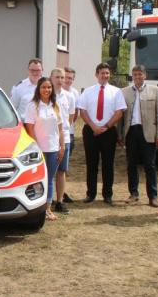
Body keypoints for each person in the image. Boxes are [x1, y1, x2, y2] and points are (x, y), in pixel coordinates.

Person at [76, 62, 126, 205]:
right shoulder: (88, 91)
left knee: (108, 164)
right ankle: (90, 194)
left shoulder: (117, 91)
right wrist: (94, 127)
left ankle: (107, 195)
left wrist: (105, 126)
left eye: (107, 73)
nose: (105, 75)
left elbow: (119, 112)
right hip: (91, 131)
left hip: (108, 132)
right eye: (102, 73)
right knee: (91, 164)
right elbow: (83, 111)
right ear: (96, 74)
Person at [118, 65, 158, 207]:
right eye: (135, 75)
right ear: (132, 76)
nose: (137, 77)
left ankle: (153, 196)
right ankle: (133, 194)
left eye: (140, 74)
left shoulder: (155, 91)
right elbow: (121, 116)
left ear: (145, 75)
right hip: (131, 132)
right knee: (131, 164)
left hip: (149, 132)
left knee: (149, 165)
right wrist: (120, 135)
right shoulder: (124, 92)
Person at [23, 77, 65, 221]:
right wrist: (36, 148)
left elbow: (60, 128)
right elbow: (29, 129)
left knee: (50, 180)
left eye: (49, 87)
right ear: (38, 89)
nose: (46, 90)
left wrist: (62, 146)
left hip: (53, 148)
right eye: (43, 87)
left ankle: (47, 209)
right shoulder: (33, 106)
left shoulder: (55, 105)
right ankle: (36, 208)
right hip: (39, 149)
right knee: (39, 180)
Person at [50, 68, 73, 214]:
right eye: (57, 77)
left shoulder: (69, 96)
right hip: (49, 138)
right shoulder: (46, 95)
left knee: (61, 171)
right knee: (48, 171)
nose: (60, 80)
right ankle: (46, 201)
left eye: (62, 77)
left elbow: (70, 117)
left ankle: (59, 201)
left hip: (64, 137)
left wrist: (64, 135)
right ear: (51, 78)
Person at [62, 67, 80, 203]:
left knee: (64, 167)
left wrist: (67, 128)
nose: (68, 80)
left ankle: (63, 192)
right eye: (66, 77)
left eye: (70, 78)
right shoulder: (54, 92)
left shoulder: (74, 93)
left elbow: (75, 114)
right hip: (54, 136)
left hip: (69, 135)